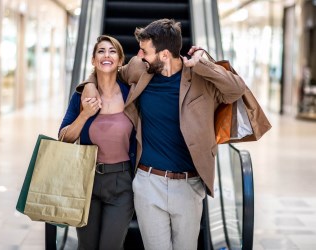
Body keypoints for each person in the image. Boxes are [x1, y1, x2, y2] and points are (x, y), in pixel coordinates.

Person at [78, 19, 246, 250]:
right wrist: (88, 84)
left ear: (165, 54)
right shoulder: (141, 69)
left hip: (189, 184)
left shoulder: (200, 79)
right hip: (149, 183)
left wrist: (203, 64)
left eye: (145, 51)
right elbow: (106, 70)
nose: (139, 55)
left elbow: (236, 90)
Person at [59, 35, 136, 250]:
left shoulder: (132, 95)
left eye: (112, 51)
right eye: (101, 51)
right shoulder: (81, 96)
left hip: (122, 183)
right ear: (93, 60)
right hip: (87, 180)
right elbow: (64, 138)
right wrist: (85, 115)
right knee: (86, 246)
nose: (106, 55)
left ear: (121, 61)